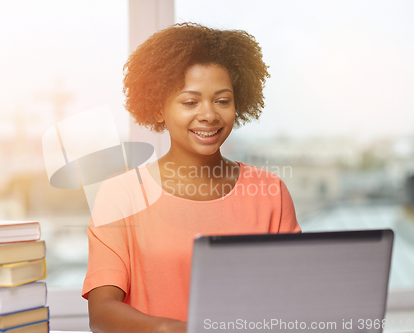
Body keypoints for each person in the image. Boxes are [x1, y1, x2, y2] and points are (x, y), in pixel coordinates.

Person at [82, 22, 301, 333]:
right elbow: (102, 314)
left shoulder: (270, 193)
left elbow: (295, 296)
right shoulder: (121, 195)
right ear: (159, 108)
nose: (209, 114)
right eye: (190, 101)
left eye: (222, 100)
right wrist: (175, 330)